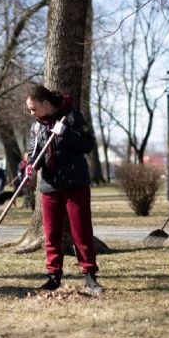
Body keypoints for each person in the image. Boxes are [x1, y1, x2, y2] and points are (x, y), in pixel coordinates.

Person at [24, 85, 102, 295]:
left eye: (33, 108)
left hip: (75, 183)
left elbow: (87, 144)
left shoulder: (71, 116)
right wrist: (30, 167)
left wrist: (65, 132)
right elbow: (33, 153)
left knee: (81, 231)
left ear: (45, 104)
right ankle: (53, 276)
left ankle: (89, 275)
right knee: (51, 233)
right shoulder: (37, 127)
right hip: (50, 186)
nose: (31, 113)